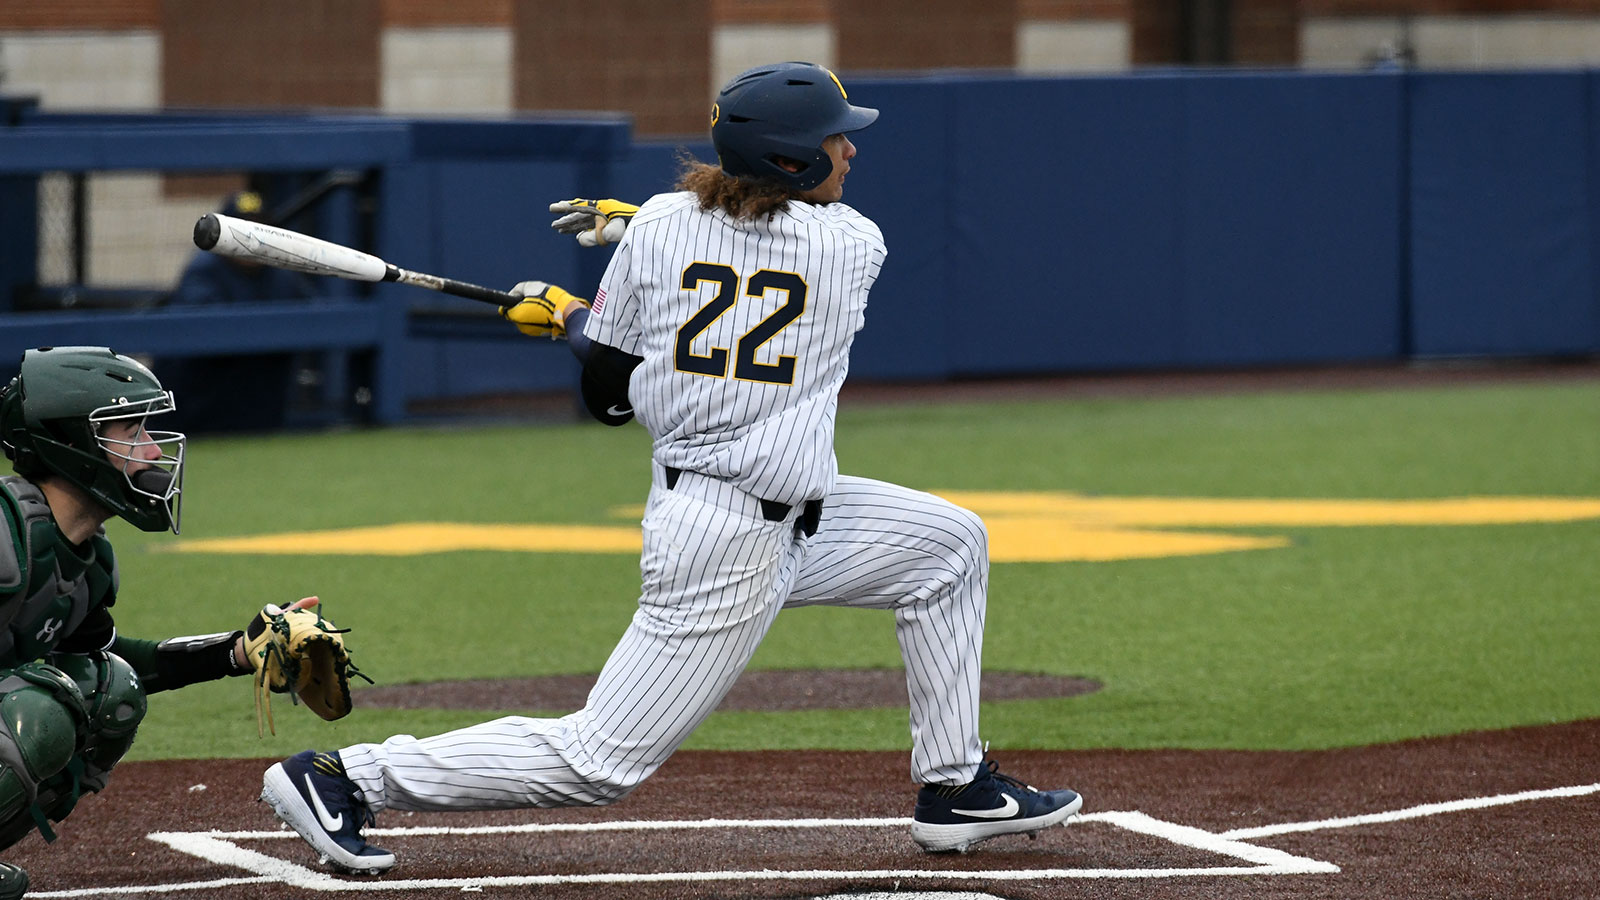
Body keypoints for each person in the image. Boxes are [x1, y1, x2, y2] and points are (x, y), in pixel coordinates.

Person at [260, 61, 1082, 874]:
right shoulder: (850, 244)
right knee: (599, 762)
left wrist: (574, 316)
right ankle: (344, 776)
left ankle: (956, 787)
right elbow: (738, 258)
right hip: (727, 542)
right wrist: (600, 290)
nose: (851, 151)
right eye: (835, 140)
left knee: (947, 546)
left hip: (780, 511)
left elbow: (609, 396)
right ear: (790, 162)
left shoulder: (659, 226)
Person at [0, 346, 337, 899]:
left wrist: (234, 652)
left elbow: (108, 659)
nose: (152, 451)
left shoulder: (85, 560)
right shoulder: (5, 532)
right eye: (128, 432)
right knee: (36, 713)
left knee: (108, 692)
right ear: (67, 442)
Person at [162, 190, 315, 433]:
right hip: (200, 412)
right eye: (243, 231)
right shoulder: (204, 272)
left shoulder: (280, 274)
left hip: (262, 414)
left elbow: (314, 318)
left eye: (260, 229)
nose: (252, 239)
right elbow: (204, 332)